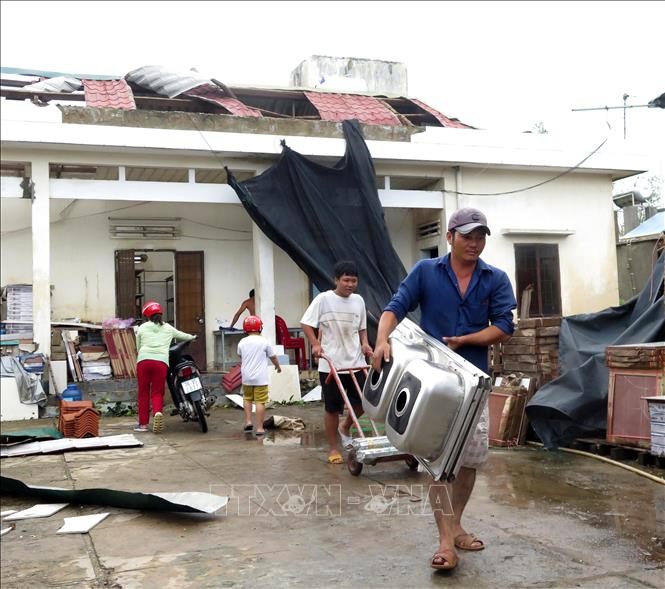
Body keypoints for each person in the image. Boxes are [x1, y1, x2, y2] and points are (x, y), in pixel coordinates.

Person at [371, 207, 516, 571]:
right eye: (467, 235)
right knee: (439, 463)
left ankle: (455, 526)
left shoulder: (495, 278)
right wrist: (381, 340)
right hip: (434, 385)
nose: (475, 243)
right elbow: (395, 308)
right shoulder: (425, 272)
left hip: (474, 384)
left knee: (468, 463)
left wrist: (469, 338)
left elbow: (503, 325)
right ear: (450, 237)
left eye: (481, 236)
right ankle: (445, 543)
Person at [300, 260, 374, 464]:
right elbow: (306, 323)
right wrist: (315, 344)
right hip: (331, 363)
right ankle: (333, 448)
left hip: (356, 361)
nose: (350, 284)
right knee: (332, 408)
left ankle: (345, 427)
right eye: (346, 280)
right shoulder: (323, 299)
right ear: (336, 280)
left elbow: (362, 327)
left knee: (363, 404)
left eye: (354, 281)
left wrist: (365, 344)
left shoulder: (358, 300)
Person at [135, 300, 197, 434]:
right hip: (161, 362)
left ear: (146, 315)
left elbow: (138, 346)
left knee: (143, 393)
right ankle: (157, 412)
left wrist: (141, 355)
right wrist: (193, 337)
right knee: (157, 392)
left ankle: (143, 425)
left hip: (144, 360)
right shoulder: (168, 328)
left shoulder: (142, 327)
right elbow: (183, 336)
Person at [237, 315, 281, 436]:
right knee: (260, 402)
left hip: (246, 377)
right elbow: (273, 356)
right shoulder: (264, 341)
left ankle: (248, 422)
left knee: (247, 399)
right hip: (260, 378)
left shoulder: (242, 342)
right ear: (259, 327)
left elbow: (240, 355)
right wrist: (278, 366)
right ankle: (260, 428)